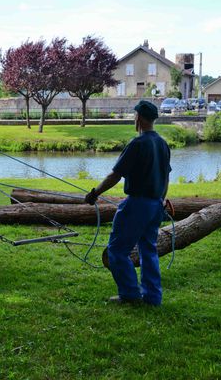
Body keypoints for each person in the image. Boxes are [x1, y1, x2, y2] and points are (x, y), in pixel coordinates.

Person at [85, 100, 171, 306]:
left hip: (137, 205)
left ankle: (130, 294)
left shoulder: (138, 144)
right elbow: (166, 177)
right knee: (148, 250)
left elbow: (115, 175)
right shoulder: (162, 143)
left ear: (139, 118)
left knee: (117, 250)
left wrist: (94, 193)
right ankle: (152, 297)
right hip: (156, 205)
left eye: (135, 116)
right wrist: (161, 199)